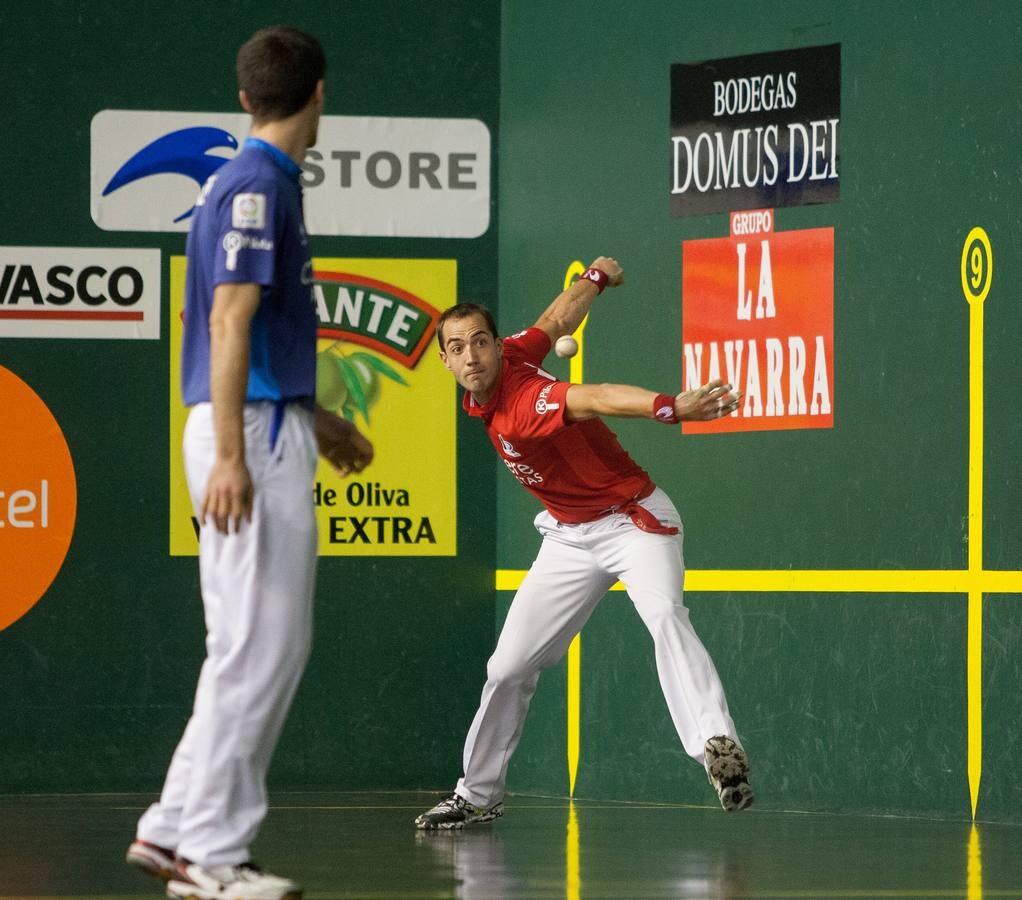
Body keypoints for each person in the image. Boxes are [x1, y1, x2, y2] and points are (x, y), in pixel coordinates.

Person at [126, 26, 372, 900]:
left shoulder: (248, 182)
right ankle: (212, 856)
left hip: (269, 425)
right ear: (320, 92)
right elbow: (227, 321)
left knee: (243, 645)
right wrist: (234, 452)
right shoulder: (259, 186)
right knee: (265, 648)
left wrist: (324, 424)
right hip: (250, 439)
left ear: (244, 99)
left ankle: (172, 828)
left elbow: (256, 334)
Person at [415, 257, 752, 830]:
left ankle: (718, 750)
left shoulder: (523, 405)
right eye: (457, 348)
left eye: (479, 343)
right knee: (508, 667)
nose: (471, 356)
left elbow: (592, 397)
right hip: (569, 537)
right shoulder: (517, 354)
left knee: (666, 614)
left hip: (631, 520)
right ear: (446, 361)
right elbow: (556, 318)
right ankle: (476, 794)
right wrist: (595, 279)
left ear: (496, 347)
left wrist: (669, 407)